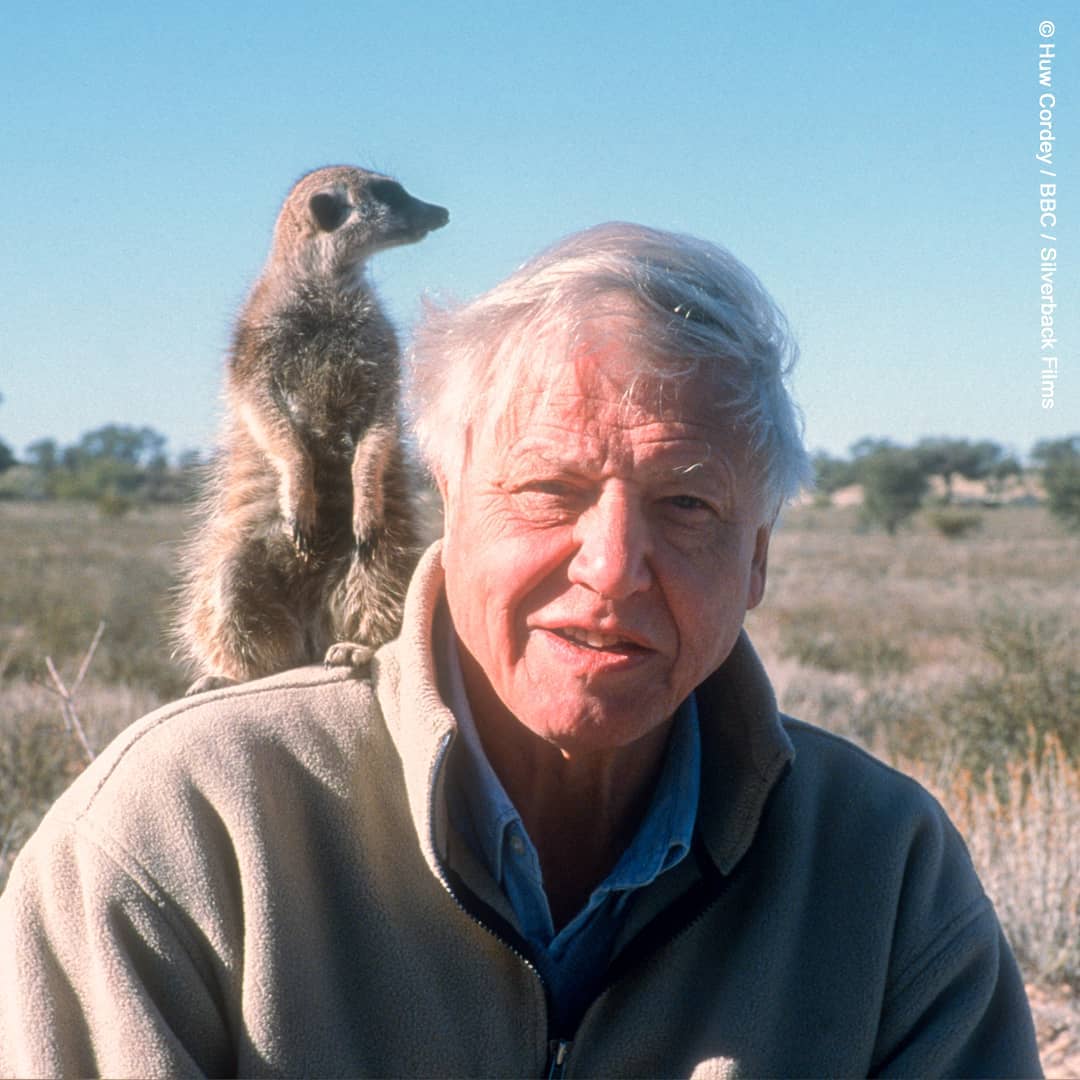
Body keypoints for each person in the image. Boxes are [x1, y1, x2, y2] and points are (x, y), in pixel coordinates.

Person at [0, 224, 1040, 1078]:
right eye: (550, 491)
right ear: (449, 505)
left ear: (756, 562)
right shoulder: (185, 837)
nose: (615, 566)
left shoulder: (880, 871)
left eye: (687, 504)